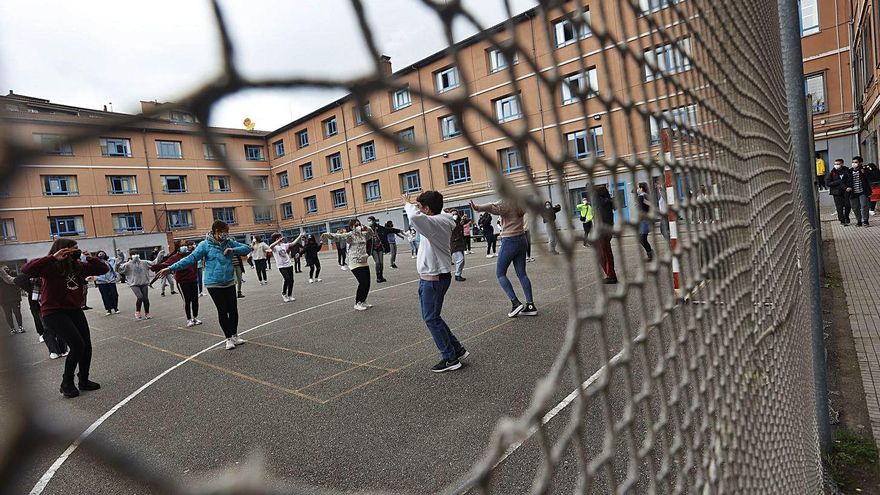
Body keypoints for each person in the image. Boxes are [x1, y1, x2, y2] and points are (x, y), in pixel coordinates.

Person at [22, 239, 110, 398]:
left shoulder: (79, 266)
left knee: (86, 346)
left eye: (77, 249)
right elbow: (27, 269)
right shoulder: (50, 267)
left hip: (74, 310)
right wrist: (53, 257)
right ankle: (66, 383)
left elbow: (103, 268)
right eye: (73, 249)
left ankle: (84, 380)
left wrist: (90, 257)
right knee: (77, 345)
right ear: (62, 250)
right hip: (54, 312)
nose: (76, 251)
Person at [158, 220, 252, 350]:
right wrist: (170, 268)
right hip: (214, 283)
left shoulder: (229, 242)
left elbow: (247, 248)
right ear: (216, 232)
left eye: (227, 232)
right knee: (223, 310)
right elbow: (190, 259)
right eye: (224, 232)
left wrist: (233, 249)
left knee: (233, 310)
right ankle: (228, 338)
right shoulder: (205, 245)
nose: (226, 235)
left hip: (229, 281)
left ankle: (235, 335)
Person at [404, 191, 468, 372]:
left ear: (427, 209)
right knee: (434, 317)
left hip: (433, 279)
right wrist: (418, 205)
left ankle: (450, 359)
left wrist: (408, 203)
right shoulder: (441, 219)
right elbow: (420, 215)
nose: (418, 209)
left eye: (421, 206)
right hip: (436, 277)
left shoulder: (434, 222)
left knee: (431, 318)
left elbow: (414, 216)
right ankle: (457, 349)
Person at [470, 198, 537, 317]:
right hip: (522, 238)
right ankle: (530, 305)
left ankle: (515, 303)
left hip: (510, 240)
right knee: (522, 274)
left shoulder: (507, 203)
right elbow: (495, 205)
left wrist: (478, 208)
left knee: (500, 273)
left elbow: (492, 207)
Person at [322, 219, 374, 310]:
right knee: (363, 282)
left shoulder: (363, 235)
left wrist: (367, 227)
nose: (358, 226)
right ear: (351, 227)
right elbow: (339, 236)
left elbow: (371, 233)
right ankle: (358, 303)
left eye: (359, 224)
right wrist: (327, 234)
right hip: (354, 261)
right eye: (355, 225)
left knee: (368, 283)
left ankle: (363, 300)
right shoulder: (350, 235)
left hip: (364, 260)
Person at [14, 273, 68, 359]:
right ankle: (54, 351)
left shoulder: (51, 275)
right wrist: (32, 271)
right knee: (47, 328)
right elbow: (17, 280)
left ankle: (63, 349)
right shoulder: (32, 281)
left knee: (60, 326)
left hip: (55, 304)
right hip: (40, 306)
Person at [151, 240, 202, 327]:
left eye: (185, 245)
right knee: (187, 300)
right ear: (178, 247)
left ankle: (195, 318)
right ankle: (189, 319)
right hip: (182, 281)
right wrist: (153, 267)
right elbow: (165, 264)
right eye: (182, 245)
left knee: (195, 300)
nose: (185, 247)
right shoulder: (175, 257)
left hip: (193, 279)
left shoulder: (191, 254)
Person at [116, 251, 154, 319]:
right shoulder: (128, 264)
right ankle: (137, 312)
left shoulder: (144, 262)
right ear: (130, 256)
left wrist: (160, 255)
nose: (135, 255)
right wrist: (119, 260)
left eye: (136, 254)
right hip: (134, 284)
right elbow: (118, 269)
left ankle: (147, 313)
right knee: (140, 297)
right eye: (133, 254)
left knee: (145, 299)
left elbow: (154, 263)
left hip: (144, 282)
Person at [269, 231, 305, 302]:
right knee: (287, 278)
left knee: (291, 280)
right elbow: (271, 246)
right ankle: (284, 294)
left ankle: (290, 295)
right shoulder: (275, 247)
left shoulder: (284, 245)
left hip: (289, 264)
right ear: (276, 239)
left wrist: (300, 236)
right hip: (281, 266)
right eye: (279, 237)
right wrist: (278, 241)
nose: (281, 238)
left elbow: (293, 243)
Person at [594, 184, 618, 283]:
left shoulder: (603, 202)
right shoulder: (605, 201)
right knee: (603, 254)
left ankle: (611, 276)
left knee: (605, 254)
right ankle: (610, 275)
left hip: (603, 232)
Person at [93, 251, 120, 316]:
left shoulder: (110, 261)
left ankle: (115, 307)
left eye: (103, 253)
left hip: (111, 280)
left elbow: (119, 260)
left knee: (114, 295)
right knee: (105, 296)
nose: (101, 254)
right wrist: (96, 279)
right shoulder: (95, 263)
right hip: (101, 281)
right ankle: (108, 309)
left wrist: (116, 277)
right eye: (99, 253)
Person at [827, 159, 852, 226]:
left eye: (838, 164)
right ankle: (842, 220)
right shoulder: (832, 172)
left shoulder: (847, 171)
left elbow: (850, 180)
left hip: (846, 191)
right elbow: (828, 183)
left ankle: (846, 217)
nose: (836, 165)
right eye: (835, 164)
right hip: (836, 192)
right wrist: (838, 181)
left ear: (842, 164)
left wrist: (848, 186)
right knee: (839, 207)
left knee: (848, 205)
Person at [0, 266, 24, 334]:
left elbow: (16, 282)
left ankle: (19, 327)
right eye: (4, 269)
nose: (6, 270)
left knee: (16, 312)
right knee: (8, 314)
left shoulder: (13, 273)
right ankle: (13, 328)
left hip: (14, 298)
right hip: (4, 299)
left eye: (7, 269)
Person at [850, 156, 872, 227]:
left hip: (863, 192)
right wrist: (846, 187)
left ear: (860, 163)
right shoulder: (849, 171)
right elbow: (843, 182)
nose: (854, 164)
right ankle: (859, 221)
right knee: (855, 208)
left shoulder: (865, 170)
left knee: (864, 206)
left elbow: (871, 178)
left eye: (856, 162)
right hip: (853, 193)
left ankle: (865, 221)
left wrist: (864, 172)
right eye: (853, 162)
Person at [636, 183, 654, 261]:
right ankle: (650, 253)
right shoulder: (646, 196)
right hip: (646, 219)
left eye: (638, 188)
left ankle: (650, 254)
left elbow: (642, 210)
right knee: (642, 238)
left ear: (641, 188)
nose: (637, 189)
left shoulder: (641, 196)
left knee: (642, 239)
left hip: (644, 220)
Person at [367, 216, 388, 283]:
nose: (369, 222)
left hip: (380, 247)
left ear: (374, 221)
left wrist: (399, 231)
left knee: (381, 263)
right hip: (373, 248)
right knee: (377, 262)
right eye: (368, 221)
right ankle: (378, 277)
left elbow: (388, 229)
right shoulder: (367, 229)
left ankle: (381, 276)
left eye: (370, 220)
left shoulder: (379, 228)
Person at [449, 209, 467, 282]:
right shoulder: (449, 223)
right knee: (460, 258)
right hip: (454, 243)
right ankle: (457, 275)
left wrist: (463, 220)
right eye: (453, 214)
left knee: (462, 260)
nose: (454, 215)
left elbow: (464, 222)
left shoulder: (459, 221)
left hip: (460, 242)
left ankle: (459, 274)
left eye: (455, 214)